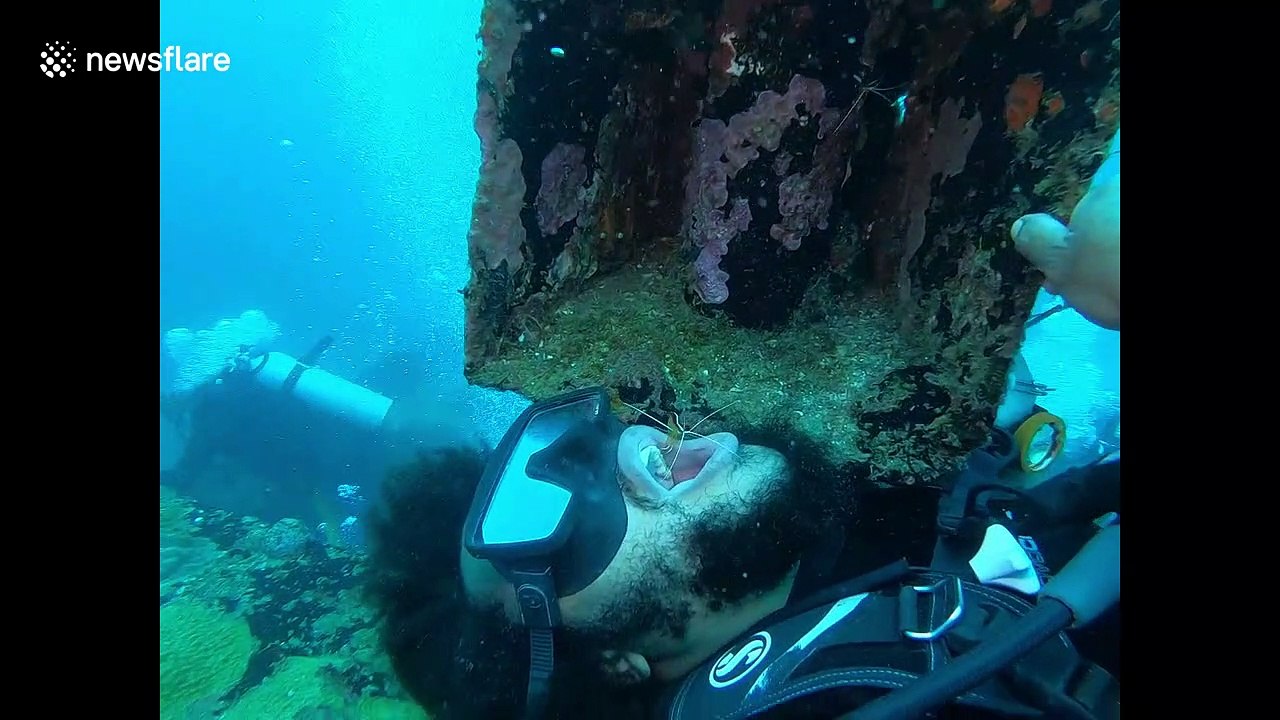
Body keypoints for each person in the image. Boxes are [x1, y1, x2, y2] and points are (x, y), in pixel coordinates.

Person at [364, 147, 1121, 720]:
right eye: (564, 531)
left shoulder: (851, 507)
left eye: (583, 442)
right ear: (612, 666)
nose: (633, 446)